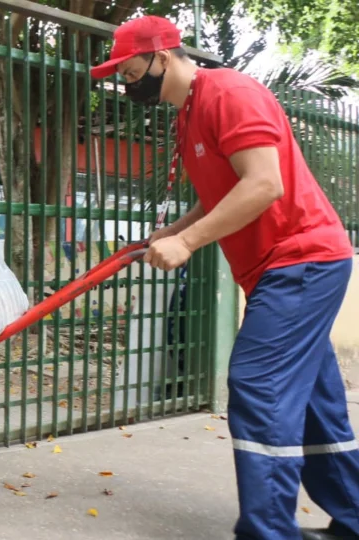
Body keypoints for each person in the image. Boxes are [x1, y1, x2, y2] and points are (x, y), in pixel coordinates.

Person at [91, 15, 358, 540]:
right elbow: (220, 192)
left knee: (258, 386)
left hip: (300, 261)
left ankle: (267, 532)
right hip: (279, 269)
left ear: (161, 56)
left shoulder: (229, 93)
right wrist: (172, 230)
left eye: (127, 70)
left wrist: (187, 243)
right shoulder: (189, 112)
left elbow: (263, 185)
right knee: (317, 402)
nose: (124, 83)